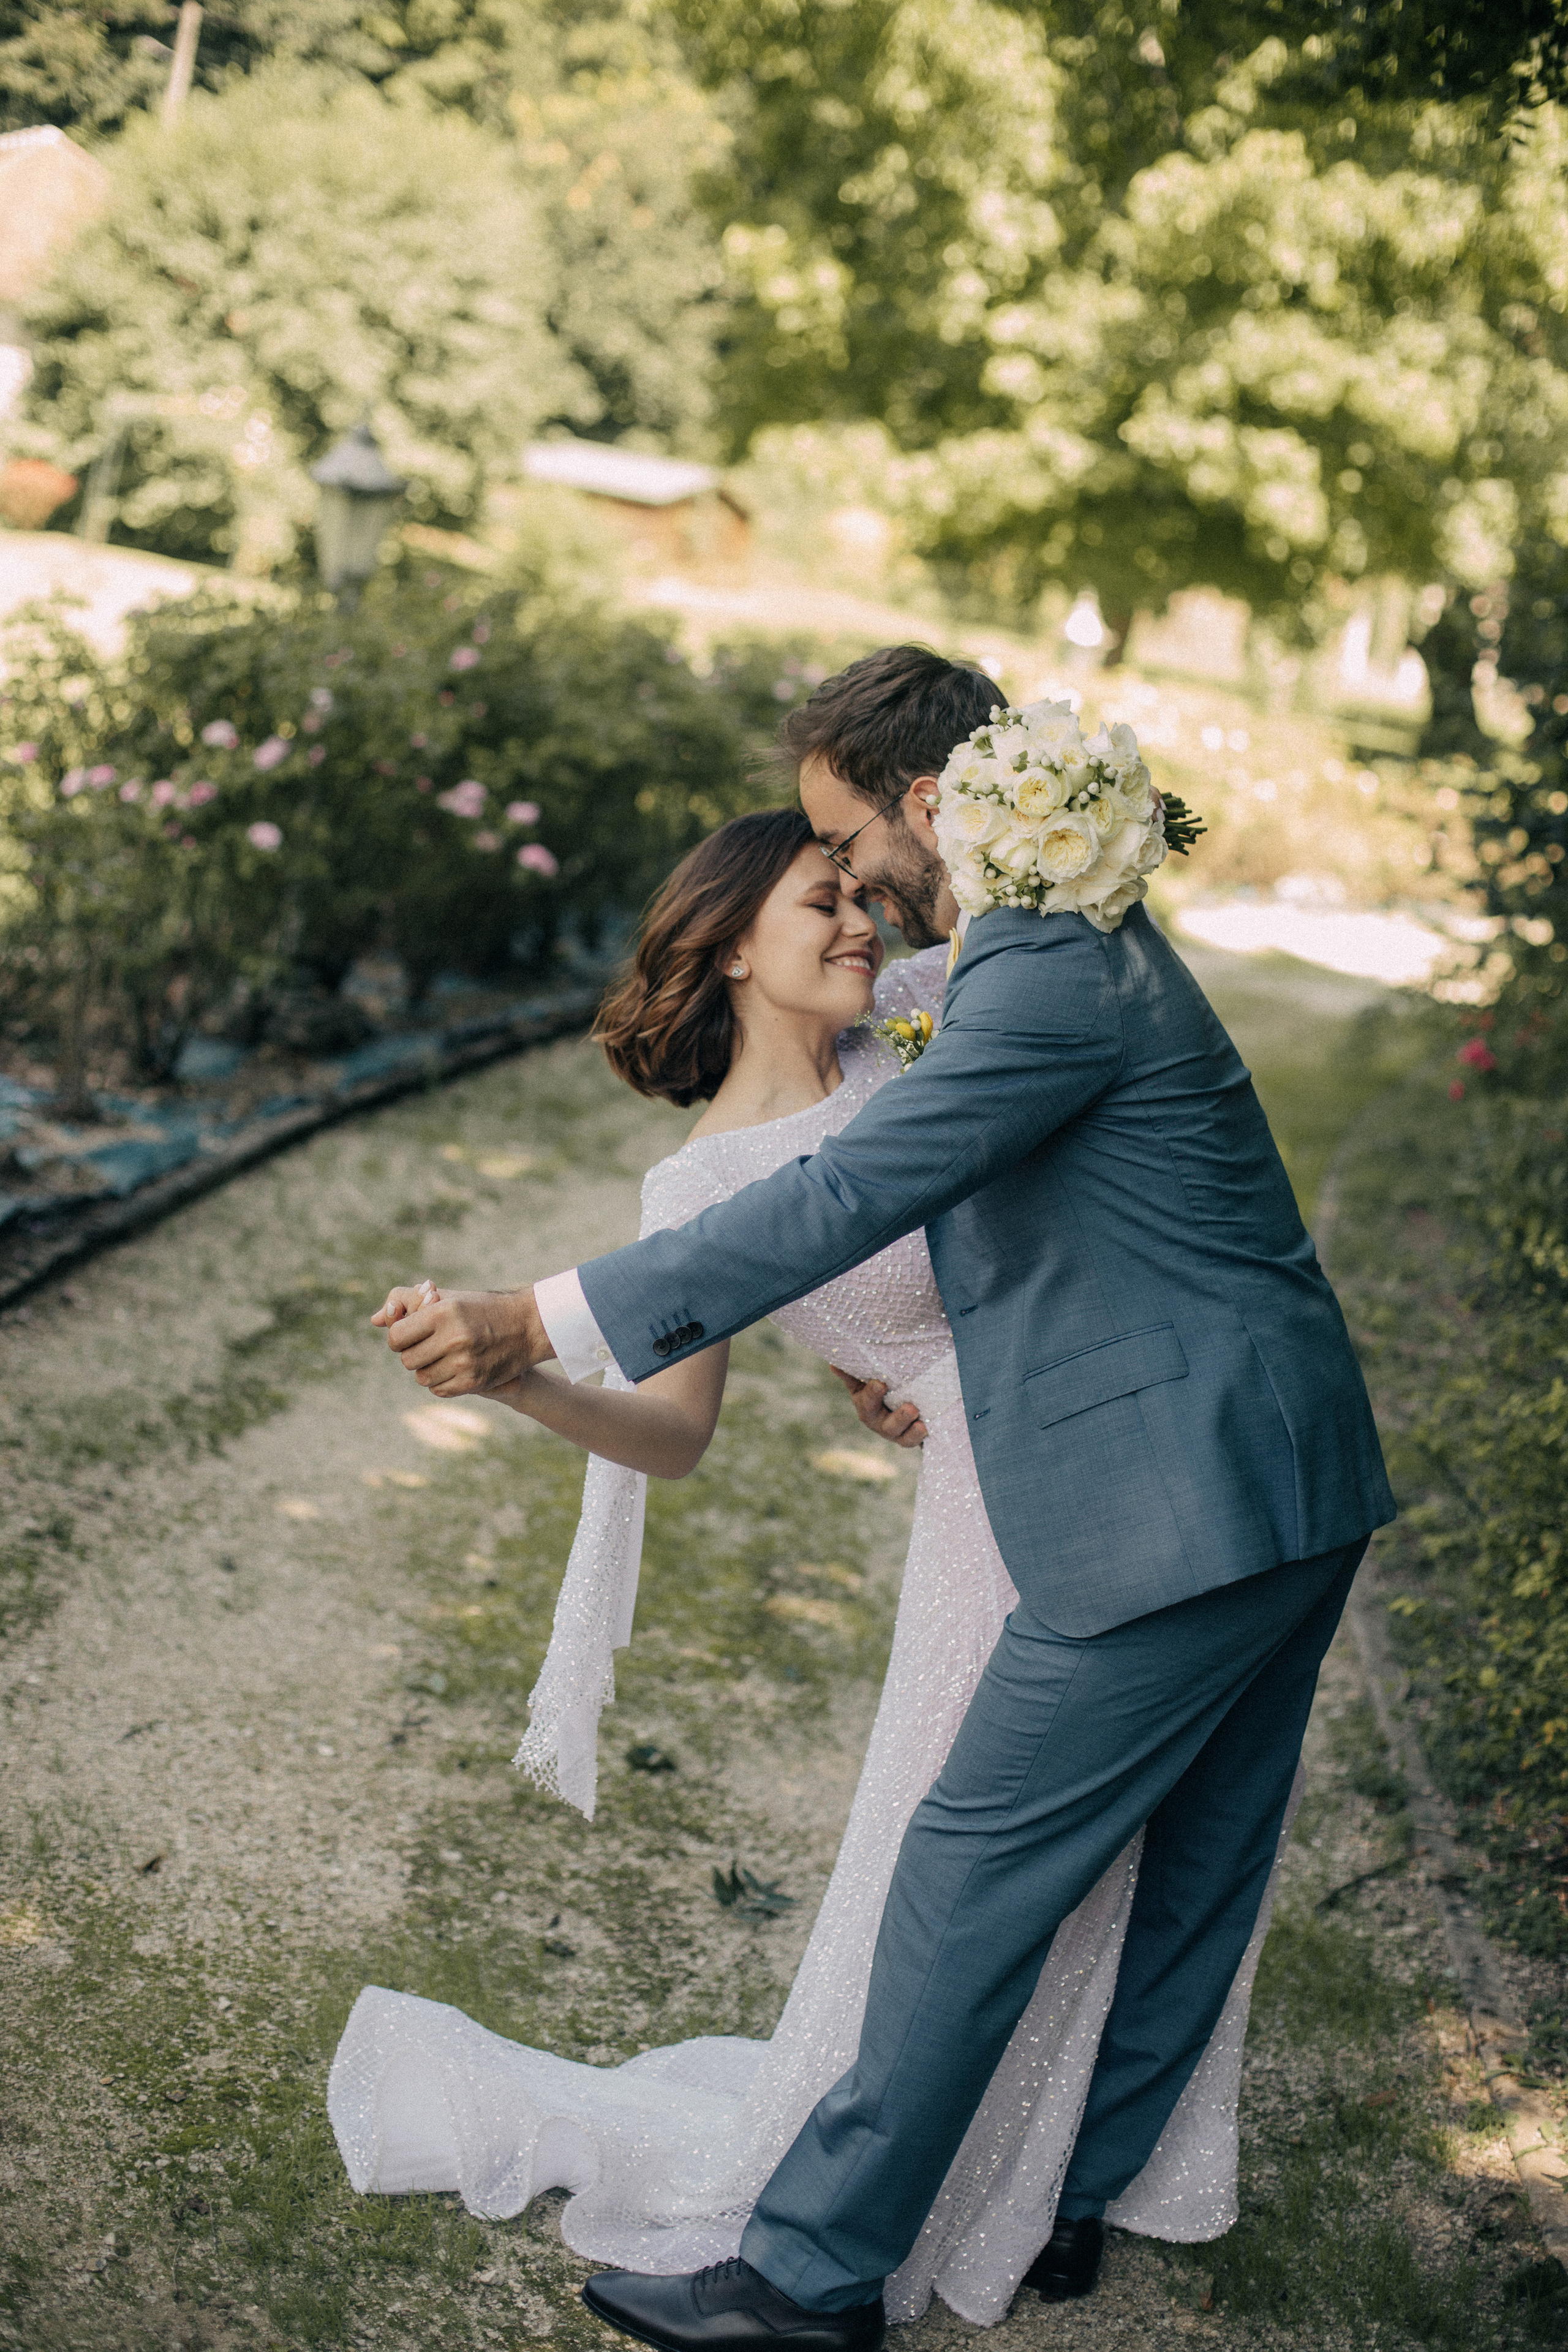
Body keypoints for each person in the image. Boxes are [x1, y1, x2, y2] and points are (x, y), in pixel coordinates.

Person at [376, 647, 1395, 2352]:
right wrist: (915, 1364)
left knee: (968, 1878)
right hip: (1293, 1470)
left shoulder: (1026, 971)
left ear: (932, 804)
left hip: (1158, 1507)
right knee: (1198, 1866)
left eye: (853, 847)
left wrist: (534, 1316)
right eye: (821, 882)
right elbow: (1016, 1207)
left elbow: (858, 1185)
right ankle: (1078, 2204)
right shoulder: (1064, 954)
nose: (854, 890)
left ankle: (807, 2277)